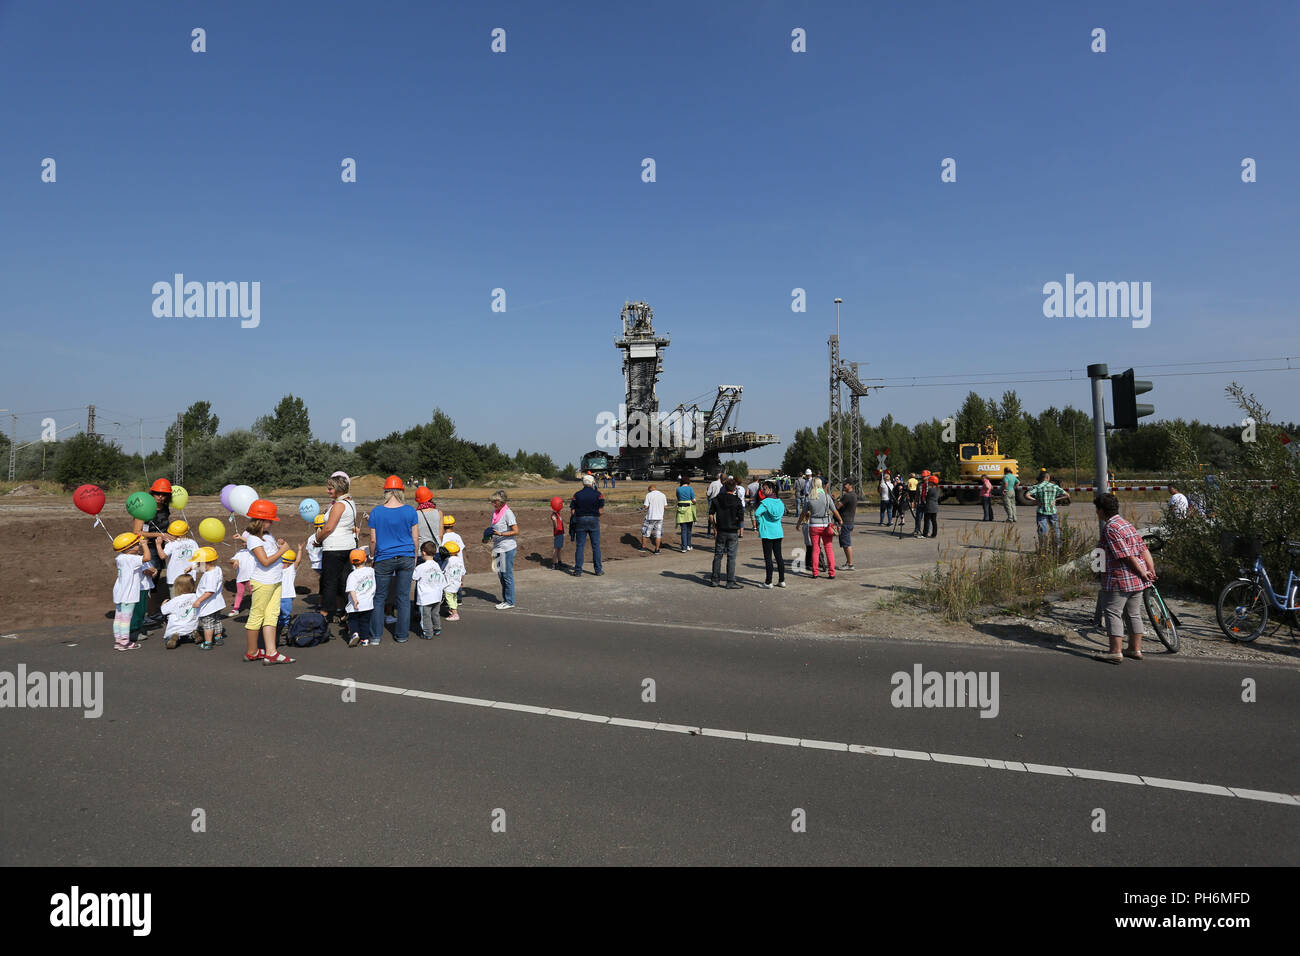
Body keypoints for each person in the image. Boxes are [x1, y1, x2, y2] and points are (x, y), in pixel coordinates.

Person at [1092, 492, 1155, 664]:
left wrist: (1143, 572)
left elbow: (1126, 555)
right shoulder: (1126, 524)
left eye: (1097, 510)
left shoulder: (1111, 528)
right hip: (1136, 580)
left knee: (1113, 613)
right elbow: (1143, 549)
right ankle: (1134, 649)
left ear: (1102, 511)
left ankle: (1115, 651)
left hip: (1119, 579)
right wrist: (1149, 570)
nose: (1096, 513)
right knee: (1133, 614)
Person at [241, 499, 294, 665]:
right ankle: (252, 652)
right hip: (263, 582)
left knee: (272, 616)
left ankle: (271, 652)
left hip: (276, 580)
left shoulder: (267, 535)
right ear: (260, 520)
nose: (271, 523)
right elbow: (264, 561)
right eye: (269, 520)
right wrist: (284, 551)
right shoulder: (253, 539)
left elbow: (271, 554)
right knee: (256, 616)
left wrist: (280, 546)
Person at [368, 476, 419, 642]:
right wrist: (415, 556)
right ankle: (402, 635)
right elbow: (415, 538)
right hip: (406, 556)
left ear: (386, 492)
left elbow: (373, 540)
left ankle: (376, 636)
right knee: (403, 597)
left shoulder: (376, 512)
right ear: (402, 491)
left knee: (379, 597)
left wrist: (372, 556)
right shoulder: (410, 511)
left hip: (384, 557)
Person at [312, 473, 359, 627]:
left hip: (334, 547)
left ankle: (325, 613)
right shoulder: (350, 502)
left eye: (330, 488)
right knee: (344, 580)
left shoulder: (339, 505)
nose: (328, 491)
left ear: (338, 489)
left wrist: (317, 539)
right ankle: (347, 612)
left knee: (329, 581)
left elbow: (329, 527)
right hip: (348, 546)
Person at [131, 477, 175, 633]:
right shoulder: (144, 509)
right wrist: (160, 535)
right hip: (148, 549)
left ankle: (153, 614)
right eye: (157, 493)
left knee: (154, 581)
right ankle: (144, 616)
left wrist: (171, 536)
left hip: (161, 547)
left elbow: (165, 528)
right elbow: (136, 532)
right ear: (152, 493)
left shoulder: (165, 508)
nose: (160, 497)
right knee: (148, 581)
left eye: (163, 494)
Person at [111, 532, 155, 651]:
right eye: (137, 544)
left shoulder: (120, 557)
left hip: (119, 592)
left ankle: (118, 641)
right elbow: (147, 558)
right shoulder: (131, 558)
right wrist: (145, 545)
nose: (139, 546)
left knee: (119, 617)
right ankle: (125, 642)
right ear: (130, 548)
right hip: (128, 593)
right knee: (126, 618)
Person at [797, 477, 841, 578]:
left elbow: (803, 513)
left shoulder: (809, 498)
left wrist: (798, 523)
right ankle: (831, 573)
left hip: (814, 526)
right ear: (821, 485)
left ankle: (815, 572)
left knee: (815, 549)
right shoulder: (826, 496)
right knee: (829, 548)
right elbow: (834, 510)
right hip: (826, 526)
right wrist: (840, 520)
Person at [709, 477, 745, 588]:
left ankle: (715, 580)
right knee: (731, 557)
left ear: (724, 487)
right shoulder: (737, 501)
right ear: (734, 489)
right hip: (732, 530)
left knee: (718, 555)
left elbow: (711, 514)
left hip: (721, 530)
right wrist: (738, 526)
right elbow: (741, 517)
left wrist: (714, 527)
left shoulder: (716, 499)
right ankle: (730, 581)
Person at [189, 546, 226, 650]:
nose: (198, 565)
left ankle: (208, 642)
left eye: (199, 563)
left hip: (208, 604)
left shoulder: (209, 576)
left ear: (205, 563)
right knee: (217, 620)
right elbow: (204, 567)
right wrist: (191, 568)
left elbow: (210, 591)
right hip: (217, 603)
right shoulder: (217, 569)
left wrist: (198, 600)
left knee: (208, 623)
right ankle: (218, 637)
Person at [570, 474, 605, 576]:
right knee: (596, 546)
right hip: (594, 519)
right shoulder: (598, 494)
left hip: (580, 520)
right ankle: (598, 570)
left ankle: (578, 570)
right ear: (592, 482)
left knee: (580, 546)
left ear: (583, 483)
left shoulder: (577, 495)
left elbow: (572, 512)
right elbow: (601, 511)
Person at [489, 489, 519, 609]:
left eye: (494, 501)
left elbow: (516, 531)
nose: (492, 503)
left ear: (500, 502)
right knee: (500, 575)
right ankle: (505, 599)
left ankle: (510, 601)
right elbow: (494, 529)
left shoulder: (508, 513)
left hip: (508, 548)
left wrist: (501, 534)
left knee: (507, 575)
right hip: (497, 549)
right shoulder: (495, 513)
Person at [1027, 470, 1071, 550]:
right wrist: (1055, 499)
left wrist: (1036, 501)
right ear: (1048, 477)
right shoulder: (1054, 486)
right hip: (1052, 511)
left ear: (1042, 478)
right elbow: (1067, 495)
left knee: (1042, 529)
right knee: (1055, 529)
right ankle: (1057, 547)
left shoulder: (1038, 486)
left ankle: (1043, 549)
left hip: (1041, 511)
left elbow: (1027, 495)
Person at [755, 479, 787, 588]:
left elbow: (757, 513)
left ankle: (768, 582)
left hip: (767, 532)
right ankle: (782, 580)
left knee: (768, 558)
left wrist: (760, 523)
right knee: (779, 557)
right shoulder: (780, 502)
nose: (763, 491)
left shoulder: (766, 502)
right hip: (778, 531)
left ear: (771, 489)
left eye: (765, 489)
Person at [412, 542, 446, 639]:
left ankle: (427, 633)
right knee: (435, 613)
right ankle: (437, 628)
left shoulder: (421, 567)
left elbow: (414, 577)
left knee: (425, 616)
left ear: (423, 553)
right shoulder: (436, 565)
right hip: (437, 595)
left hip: (425, 597)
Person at [160, 573, 201, 650]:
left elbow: (163, 611)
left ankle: (173, 637)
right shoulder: (196, 597)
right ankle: (193, 634)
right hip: (191, 626)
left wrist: (163, 605)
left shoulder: (175, 600)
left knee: (169, 615)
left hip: (176, 628)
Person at [345, 548, 376, 646]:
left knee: (353, 620)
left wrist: (355, 600)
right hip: (368, 603)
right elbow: (372, 564)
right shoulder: (371, 571)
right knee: (365, 621)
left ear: (351, 561)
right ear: (365, 559)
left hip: (356, 604)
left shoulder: (352, 575)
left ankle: (355, 633)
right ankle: (365, 639)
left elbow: (351, 589)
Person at [440, 516, 465, 618]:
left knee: (449, 584)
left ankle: (451, 607)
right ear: (453, 525)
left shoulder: (443, 537)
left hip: (448, 563)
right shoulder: (457, 536)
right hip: (458, 562)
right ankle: (458, 601)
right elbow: (461, 549)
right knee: (457, 582)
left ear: (442, 525)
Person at [162, 520, 198, 589]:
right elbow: (199, 559)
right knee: (189, 598)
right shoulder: (193, 543)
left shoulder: (171, 544)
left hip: (174, 578)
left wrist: (158, 544)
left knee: (175, 598)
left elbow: (162, 556)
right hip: (189, 577)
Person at [277, 549, 301, 640]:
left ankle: (285, 626)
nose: (281, 564)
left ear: (289, 563)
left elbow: (297, 561)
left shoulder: (291, 570)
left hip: (287, 595)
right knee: (276, 612)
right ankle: (278, 625)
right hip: (276, 595)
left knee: (285, 612)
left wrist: (299, 550)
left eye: (284, 562)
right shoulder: (276, 570)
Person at [639, 483, 668, 554]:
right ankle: (657, 550)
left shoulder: (649, 495)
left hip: (650, 517)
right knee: (658, 534)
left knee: (645, 532)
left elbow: (646, 506)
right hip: (660, 517)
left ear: (650, 489)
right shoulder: (663, 495)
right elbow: (665, 506)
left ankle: (643, 547)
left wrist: (643, 508)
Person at [414, 486, 443, 552]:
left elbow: (415, 536)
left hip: (421, 551)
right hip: (436, 550)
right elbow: (440, 535)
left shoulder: (415, 514)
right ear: (430, 498)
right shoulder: (439, 512)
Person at [228, 545, 254, 617]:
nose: (243, 543)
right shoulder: (240, 552)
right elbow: (231, 560)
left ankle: (255, 608)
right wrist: (235, 561)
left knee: (253, 592)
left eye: (245, 541)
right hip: (240, 576)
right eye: (242, 542)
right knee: (239, 593)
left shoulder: (253, 551)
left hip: (251, 576)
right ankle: (236, 609)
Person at [837, 481, 857, 569]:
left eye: (846, 484)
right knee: (846, 543)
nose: (844, 486)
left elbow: (837, 506)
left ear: (850, 485)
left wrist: (836, 501)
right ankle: (848, 562)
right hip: (849, 521)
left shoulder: (847, 496)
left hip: (845, 522)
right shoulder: (853, 494)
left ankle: (850, 564)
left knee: (846, 544)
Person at [675, 477, 697, 552]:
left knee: (683, 530)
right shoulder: (690, 488)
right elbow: (694, 500)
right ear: (688, 482)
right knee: (689, 530)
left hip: (681, 510)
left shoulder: (678, 489)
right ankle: (688, 545)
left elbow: (678, 499)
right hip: (689, 511)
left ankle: (683, 547)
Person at [705, 471, 724, 536]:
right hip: (721, 501)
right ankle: (719, 531)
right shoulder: (723, 484)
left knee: (711, 516)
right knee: (719, 516)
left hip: (712, 500)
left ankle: (709, 532)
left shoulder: (713, 483)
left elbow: (708, 493)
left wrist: (707, 492)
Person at [550, 499, 566, 570]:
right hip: (557, 533)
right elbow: (555, 526)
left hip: (561, 533)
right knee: (556, 548)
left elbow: (560, 507)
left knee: (559, 548)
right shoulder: (554, 515)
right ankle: (554, 564)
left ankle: (559, 562)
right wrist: (554, 520)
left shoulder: (558, 513)